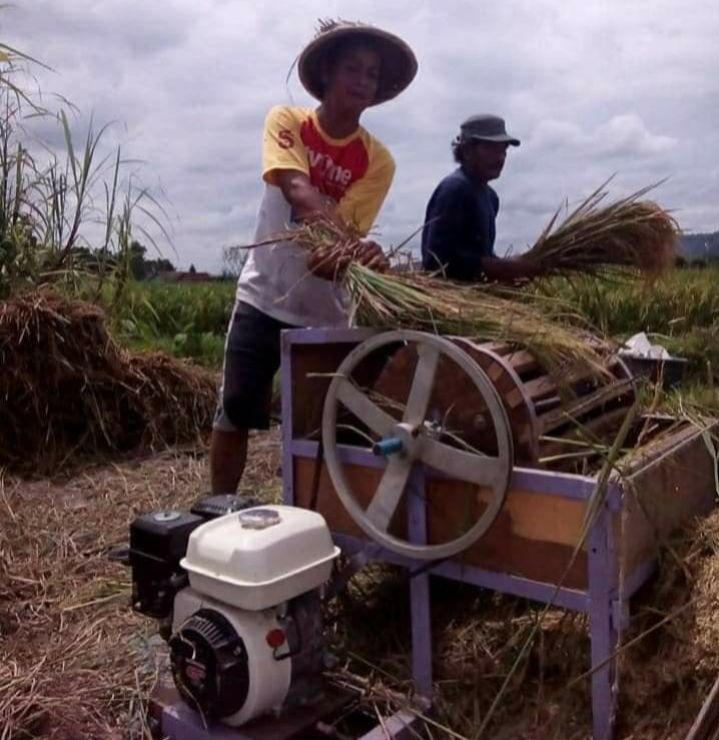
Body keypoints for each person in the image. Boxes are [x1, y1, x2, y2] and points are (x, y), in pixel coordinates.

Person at [210, 20, 418, 494]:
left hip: (325, 311)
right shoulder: (288, 122)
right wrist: (351, 247)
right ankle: (217, 507)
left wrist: (359, 253)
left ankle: (310, 517)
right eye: (353, 68)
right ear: (326, 73)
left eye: (372, 73)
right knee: (236, 407)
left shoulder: (378, 160)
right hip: (263, 294)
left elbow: (332, 252)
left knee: (315, 425)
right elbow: (298, 190)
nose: (363, 80)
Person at [421, 114, 541, 282]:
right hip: (451, 300)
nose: (500, 158)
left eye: (504, 151)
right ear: (467, 151)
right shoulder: (455, 190)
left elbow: (481, 254)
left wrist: (510, 272)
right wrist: (502, 268)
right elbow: (436, 261)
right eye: (492, 150)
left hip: (474, 296)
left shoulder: (491, 197)